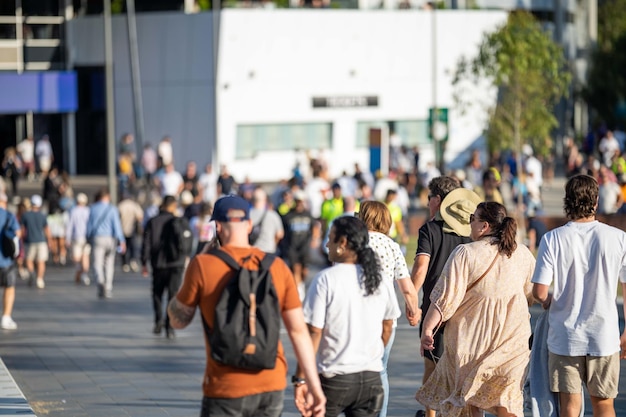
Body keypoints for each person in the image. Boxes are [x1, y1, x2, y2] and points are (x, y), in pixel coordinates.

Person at [167, 195, 326, 417]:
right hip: (271, 383)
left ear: (218, 226)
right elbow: (299, 332)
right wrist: (314, 386)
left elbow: (178, 320)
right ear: (250, 225)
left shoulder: (203, 265)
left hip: (224, 387)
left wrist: (197, 264)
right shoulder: (278, 267)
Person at [416, 201, 536, 417]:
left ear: (484, 226)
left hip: (471, 340)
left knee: (467, 404)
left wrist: (428, 329)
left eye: (473, 218)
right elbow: (532, 295)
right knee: (506, 401)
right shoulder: (524, 254)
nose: (469, 223)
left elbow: (445, 298)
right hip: (512, 342)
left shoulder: (465, 253)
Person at [532, 174, 626, 417]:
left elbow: (539, 291)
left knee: (570, 407)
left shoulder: (552, 238)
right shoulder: (618, 238)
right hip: (604, 335)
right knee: (604, 405)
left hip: (565, 337)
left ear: (567, 201)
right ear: (595, 202)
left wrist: (548, 301)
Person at [295, 215, 398, 417]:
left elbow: (313, 333)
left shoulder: (326, 279)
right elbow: (387, 325)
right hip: (371, 378)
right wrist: (371, 354)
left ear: (342, 243)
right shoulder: (380, 279)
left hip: (334, 378)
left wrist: (301, 378)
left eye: (330, 238)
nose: (326, 244)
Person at [410, 177, 478, 417]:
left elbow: (421, 267)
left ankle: (431, 414)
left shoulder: (430, 229)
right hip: (467, 307)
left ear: (438, 200)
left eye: (429, 198)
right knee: (463, 366)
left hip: (434, 308)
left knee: (432, 364)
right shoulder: (474, 231)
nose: (428, 203)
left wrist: (411, 300)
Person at [357, 200, 419, 417]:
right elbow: (407, 286)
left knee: (354, 370)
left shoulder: (355, 243)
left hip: (357, 315)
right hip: (385, 317)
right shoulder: (391, 246)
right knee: (380, 369)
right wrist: (414, 310)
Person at [141, 195, 185, 338]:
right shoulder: (178, 221)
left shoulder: (153, 222)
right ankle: (169, 326)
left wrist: (144, 261)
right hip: (176, 264)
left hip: (158, 263)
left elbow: (146, 243)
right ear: (173, 206)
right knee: (173, 295)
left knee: (157, 293)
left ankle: (159, 320)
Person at [86, 187, 126, 299]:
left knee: (97, 263)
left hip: (98, 237)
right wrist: (122, 240)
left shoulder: (93, 208)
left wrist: (88, 237)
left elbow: (89, 225)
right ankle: (108, 287)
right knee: (109, 263)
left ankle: (100, 280)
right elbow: (117, 226)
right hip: (111, 238)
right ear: (107, 197)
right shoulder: (112, 209)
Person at [281, 190, 314, 300]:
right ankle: (298, 293)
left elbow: (314, 226)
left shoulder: (308, 215)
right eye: (297, 201)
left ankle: (301, 284)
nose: (299, 204)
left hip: (305, 246)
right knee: (296, 269)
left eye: (301, 202)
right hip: (292, 247)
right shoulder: (288, 216)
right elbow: (283, 231)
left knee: (304, 271)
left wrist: (314, 239)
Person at [0, 192, 20, 329]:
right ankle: (6, 317)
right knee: (9, 287)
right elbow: (18, 233)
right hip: (5, 259)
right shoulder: (8, 215)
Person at [21, 195, 50, 289]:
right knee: (41, 261)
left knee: (29, 260)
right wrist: (50, 241)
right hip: (41, 241)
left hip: (29, 241)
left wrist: (20, 240)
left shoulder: (25, 215)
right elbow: (47, 230)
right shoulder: (42, 215)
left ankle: (32, 272)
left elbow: (22, 230)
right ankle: (40, 279)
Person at [65, 193, 91, 285]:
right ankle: (85, 273)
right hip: (86, 237)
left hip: (76, 237)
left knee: (76, 257)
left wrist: (67, 238)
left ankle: (79, 269)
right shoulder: (88, 211)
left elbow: (70, 225)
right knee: (85, 256)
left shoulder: (73, 211)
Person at [249, 187, 284, 254]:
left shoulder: (247, 215)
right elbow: (280, 234)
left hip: (252, 252)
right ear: (265, 199)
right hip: (269, 251)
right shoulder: (273, 215)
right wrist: (274, 244)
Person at [118, 194, 144, 273]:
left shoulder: (120, 205)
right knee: (133, 246)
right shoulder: (134, 205)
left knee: (122, 246)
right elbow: (140, 217)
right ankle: (133, 260)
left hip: (122, 229)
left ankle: (124, 262)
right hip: (132, 229)